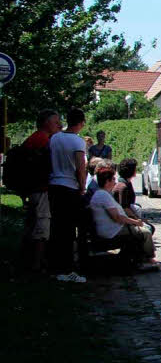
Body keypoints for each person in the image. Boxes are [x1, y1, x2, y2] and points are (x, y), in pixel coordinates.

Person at [48, 108, 89, 283]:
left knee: (57, 228)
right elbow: (80, 167)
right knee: (70, 229)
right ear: (81, 123)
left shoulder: (55, 138)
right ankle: (68, 268)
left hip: (54, 184)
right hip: (69, 187)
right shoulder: (77, 142)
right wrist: (82, 186)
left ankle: (54, 266)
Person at [89, 167, 157, 269]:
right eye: (113, 179)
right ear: (107, 181)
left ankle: (143, 260)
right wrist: (135, 222)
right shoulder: (103, 195)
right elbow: (117, 217)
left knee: (143, 230)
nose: (115, 181)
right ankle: (147, 260)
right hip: (111, 232)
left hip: (112, 229)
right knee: (145, 232)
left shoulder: (103, 194)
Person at [21, 109, 61, 273]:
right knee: (41, 226)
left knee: (32, 225)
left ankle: (27, 260)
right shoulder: (42, 140)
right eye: (55, 122)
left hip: (34, 188)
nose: (58, 125)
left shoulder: (34, 138)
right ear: (46, 123)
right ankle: (36, 265)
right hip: (41, 189)